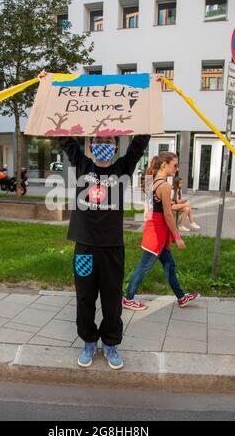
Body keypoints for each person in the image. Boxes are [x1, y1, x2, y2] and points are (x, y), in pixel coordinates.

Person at [38, 69, 150, 369]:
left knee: (112, 300)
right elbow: (64, 137)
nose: (104, 144)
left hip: (112, 248)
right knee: (85, 298)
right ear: (90, 145)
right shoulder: (82, 163)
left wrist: (154, 94)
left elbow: (141, 140)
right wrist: (48, 88)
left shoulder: (123, 169)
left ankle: (111, 344)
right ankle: (89, 341)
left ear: (116, 146)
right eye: (98, 140)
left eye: (110, 140)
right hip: (85, 247)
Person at [122, 152, 200, 311]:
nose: (177, 169)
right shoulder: (164, 186)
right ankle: (128, 299)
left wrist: (181, 205)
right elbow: (168, 214)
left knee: (169, 265)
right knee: (143, 267)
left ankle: (181, 297)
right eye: (175, 165)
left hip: (155, 231)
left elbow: (152, 209)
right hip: (157, 235)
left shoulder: (152, 181)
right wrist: (177, 237)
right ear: (164, 165)